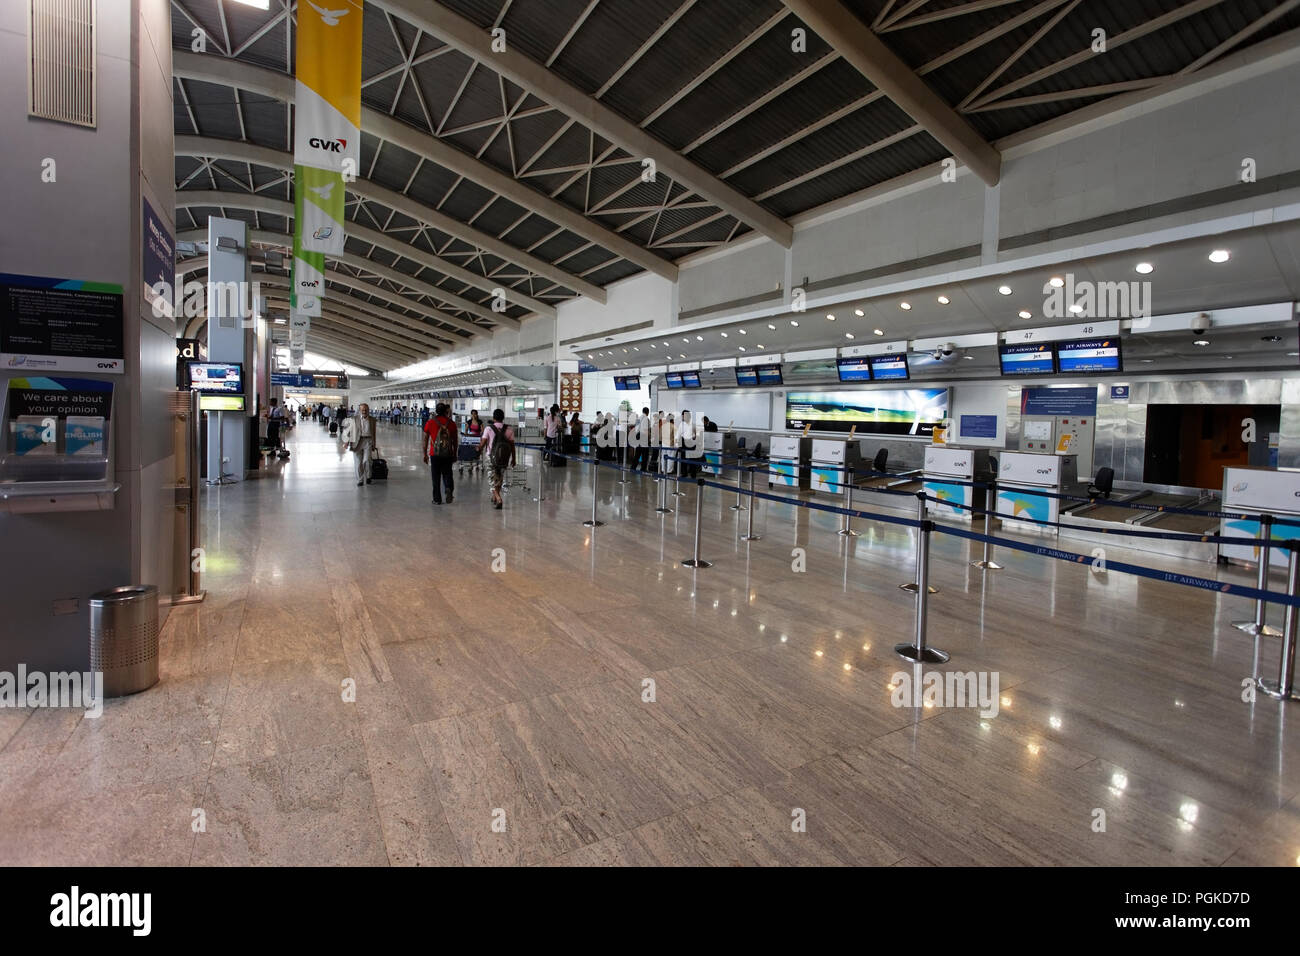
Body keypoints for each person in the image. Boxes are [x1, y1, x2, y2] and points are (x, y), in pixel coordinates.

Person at [479, 408, 516, 510]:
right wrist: (514, 459)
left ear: (493, 417)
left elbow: (482, 444)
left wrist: (477, 449)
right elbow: (512, 446)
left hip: (491, 458)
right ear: (503, 418)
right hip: (504, 458)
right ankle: (495, 497)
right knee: (499, 477)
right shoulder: (509, 429)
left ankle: (499, 498)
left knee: (491, 479)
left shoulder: (489, 429)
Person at [423, 402, 458, 505]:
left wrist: (424, 454)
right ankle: (448, 488)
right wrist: (455, 454)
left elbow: (425, 439)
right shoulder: (451, 423)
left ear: (436, 411)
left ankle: (437, 499)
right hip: (448, 453)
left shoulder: (430, 422)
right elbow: (455, 441)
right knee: (447, 474)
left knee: (436, 476)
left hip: (435, 453)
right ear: (446, 411)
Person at [346, 403, 380, 486]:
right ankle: (360, 480)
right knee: (358, 462)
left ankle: (368, 476)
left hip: (368, 441)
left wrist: (374, 444)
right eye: (362, 410)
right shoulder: (354, 419)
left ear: (368, 410)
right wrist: (346, 442)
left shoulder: (372, 419)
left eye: (366, 410)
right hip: (357, 442)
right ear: (360, 410)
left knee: (367, 460)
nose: (364, 411)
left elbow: (374, 433)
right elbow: (349, 431)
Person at [679, 410, 701, 478]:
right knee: (683, 460)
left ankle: (693, 474)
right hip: (683, 443)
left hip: (691, 443)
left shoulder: (693, 425)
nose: (682, 417)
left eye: (683, 415)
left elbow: (697, 435)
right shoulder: (681, 425)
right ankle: (684, 473)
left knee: (692, 460)